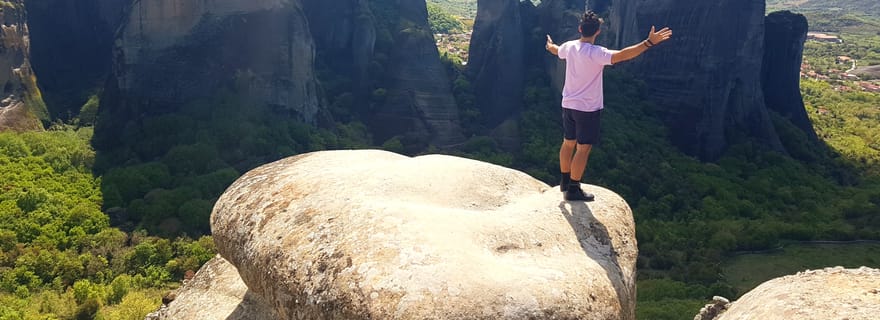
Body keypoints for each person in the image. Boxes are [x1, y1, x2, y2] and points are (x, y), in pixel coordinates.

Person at [546, 11, 672, 201]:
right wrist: (649, 42)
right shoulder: (598, 53)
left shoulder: (570, 47)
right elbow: (623, 55)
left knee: (568, 142)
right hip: (587, 109)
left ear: (580, 29)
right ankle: (573, 189)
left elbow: (556, 50)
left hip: (568, 104)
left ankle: (564, 181)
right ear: (597, 32)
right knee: (583, 148)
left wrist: (549, 46)